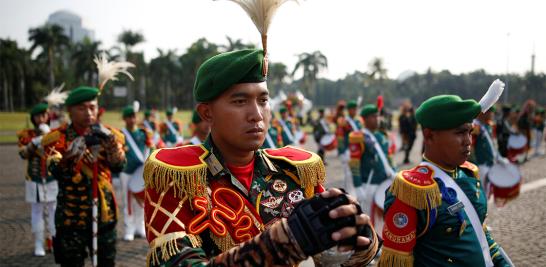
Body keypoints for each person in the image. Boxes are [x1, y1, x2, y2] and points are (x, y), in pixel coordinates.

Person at [143, 49, 380, 267]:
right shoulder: (178, 178)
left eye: (263, 100)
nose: (257, 115)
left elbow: (335, 257)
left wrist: (356, 240)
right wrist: (283, 243)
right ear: (207, 113)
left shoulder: (294, 171)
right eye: (240, 101)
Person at [379, 91, 511, 266]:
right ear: (429, 136)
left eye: (470, 132)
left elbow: (480, 233)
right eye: (460, 133)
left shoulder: (469, 174)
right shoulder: (411, 191)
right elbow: (396, 262)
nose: (468, 141)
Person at [42, 86, 126, 266]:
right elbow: (57, 170)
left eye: (92, 107)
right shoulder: (57, 137)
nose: (89, 112)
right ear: (70, 111)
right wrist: (78, 147)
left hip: (104, 215)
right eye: (82, 108)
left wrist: (111, 145)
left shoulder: (110, 134)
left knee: (106, 262)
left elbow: (119, 166)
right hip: (72, 218)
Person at [17, 102, 58, 256]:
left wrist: (48, 138)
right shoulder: (26, 135)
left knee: (54, 211)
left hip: (51, 177)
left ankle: (54, 241)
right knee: (37, 211)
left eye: (44, 115)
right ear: (33, 118)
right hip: (34, 178)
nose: (41, 119)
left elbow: (58, 153)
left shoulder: (54, 132)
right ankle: (39, 243)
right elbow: (23, 154)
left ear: (47, 116)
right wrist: (35, 143)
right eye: (37, 116)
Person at [349, 104, 395, 214]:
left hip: (385, 181)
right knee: (368, 216)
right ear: (365, 119)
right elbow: (355, 164)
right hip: (369, 184)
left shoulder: (381, 136)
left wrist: (394, 171)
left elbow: (388, 158)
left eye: (378, 116)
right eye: (373, 116)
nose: (377, 119)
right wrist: (358, 186)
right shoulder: (358, 137)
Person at [120, 105, 153, 241]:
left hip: (140, 172)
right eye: (129, 117)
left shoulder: (143, 133)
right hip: (127, 172)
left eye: (134, 116)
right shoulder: (121, 135)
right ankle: (129, 228)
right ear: (124, 119)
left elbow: (151, 147)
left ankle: (140, 226)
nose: (132, 120)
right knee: (127, 201)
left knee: (141, 201)